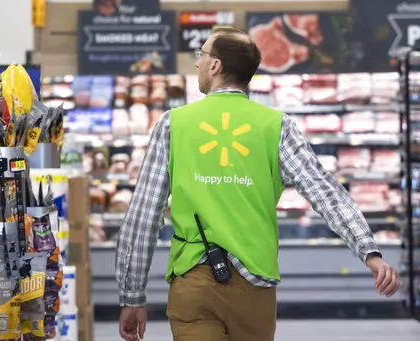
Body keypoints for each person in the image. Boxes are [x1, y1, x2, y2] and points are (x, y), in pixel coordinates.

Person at [114, 27, 400, 341]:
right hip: (253, 285)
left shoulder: (173, 123)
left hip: (193, 280)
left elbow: (143, 217)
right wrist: (369, 251)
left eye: (202, 55)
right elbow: (325, 191)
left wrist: (132, 296)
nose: (197, 63)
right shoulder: (277, 126)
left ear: (215, 66)